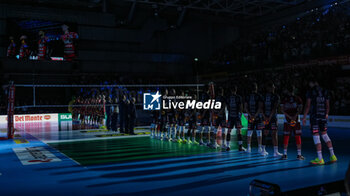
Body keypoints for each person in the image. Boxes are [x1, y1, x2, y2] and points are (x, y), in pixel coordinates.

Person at [303, 80, 337, 165]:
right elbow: (328, 106)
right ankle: (333, 155)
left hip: (315, 117)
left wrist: (304, 117)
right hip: (323, 116)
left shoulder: (310, 91)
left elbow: (307, 105)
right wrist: (326, 114)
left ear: (313, 82)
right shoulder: (325, 91)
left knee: (316, 136)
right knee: (325, 135)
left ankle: (320, 158)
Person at [280, 85, 305, 160]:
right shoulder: (298, 99)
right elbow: (300, 109)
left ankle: (284, 154)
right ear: (294, 90)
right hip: (296, 120)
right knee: (297, 136)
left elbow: (282, 110)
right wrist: (294, 116)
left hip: (287, 120)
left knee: (286, 136)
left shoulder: (284, 99)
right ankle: (299, 155)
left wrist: (289, 117)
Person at [262, 82, 281, 157]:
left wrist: (265, 116)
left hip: (269, 117)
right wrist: (266, 116)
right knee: (266, 132)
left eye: (274, 87)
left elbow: (275, 107)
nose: (274, 88)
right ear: (269, 88)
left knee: (273, 133)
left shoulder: (275, 96)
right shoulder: (265, 96)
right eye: (272, 87)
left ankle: (275, 152)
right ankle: (264, 150)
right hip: (271, 118)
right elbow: (274, 108)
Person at [245, 83, 264, 154]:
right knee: (259, 132)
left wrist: (251, 115)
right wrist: (255, 115)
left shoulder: (247, 96)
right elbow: (260, 107)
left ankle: (248, 148)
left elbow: (246, 108)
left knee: (249, 132)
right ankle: (259, 148)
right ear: (256, 88)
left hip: (250, 117)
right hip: (258, 117)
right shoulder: (259, 96)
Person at [225, 85, 245, 152]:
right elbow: (241, 107)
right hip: (237, 116)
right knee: (239, 131)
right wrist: (240, 114)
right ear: (236, 90)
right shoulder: (238, 97)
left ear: (231, 90)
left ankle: (228, 146)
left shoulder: (228, 97)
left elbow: (227, 107)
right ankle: (240, 147)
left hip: (231, 116)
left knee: (229, 131)